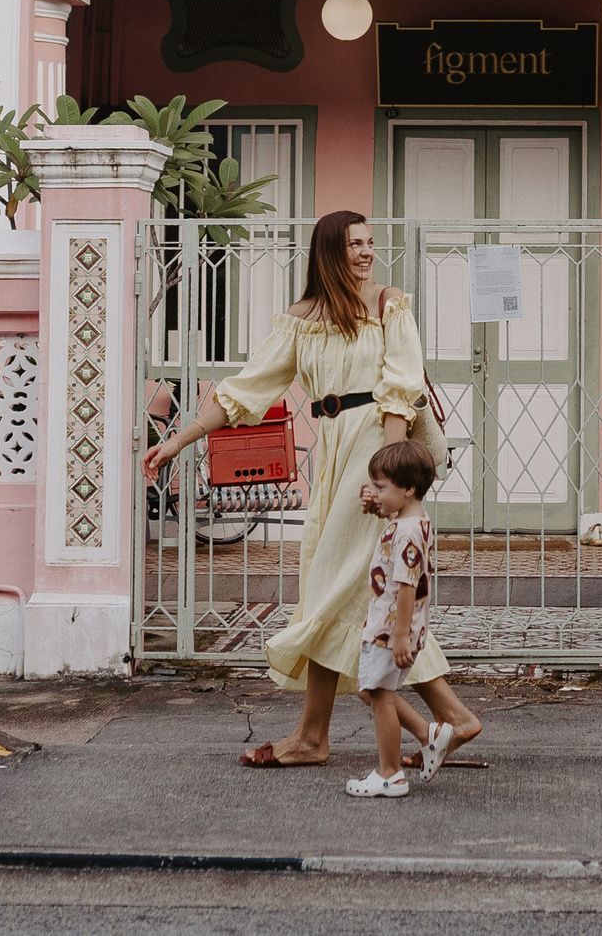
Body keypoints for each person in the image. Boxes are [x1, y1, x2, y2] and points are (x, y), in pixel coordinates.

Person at [141, 210, 484, 769]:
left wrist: (386, 476)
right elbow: (244, 390)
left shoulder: (386, 304)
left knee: (335, 587)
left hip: (373, 447)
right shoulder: (302, 319)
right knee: (345, 591)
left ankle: (332, 734)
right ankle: (388, 729)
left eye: (371, 243)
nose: (367, 253)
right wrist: (177, 442)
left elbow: (400, 386)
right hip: (333, 455)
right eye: (355, 244)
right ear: (329, 250)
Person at [347, 440, 450, 798]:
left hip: (391, 627)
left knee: (377, 693)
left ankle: (390, 773)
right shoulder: (412, 521)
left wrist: (401, 636)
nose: (374, 493)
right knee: (371, 690)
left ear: (408, 489)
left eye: (381, 487)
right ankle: (429, 735)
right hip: (393, 625)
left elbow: (406, 584)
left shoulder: (406, 530)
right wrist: (379, 508)